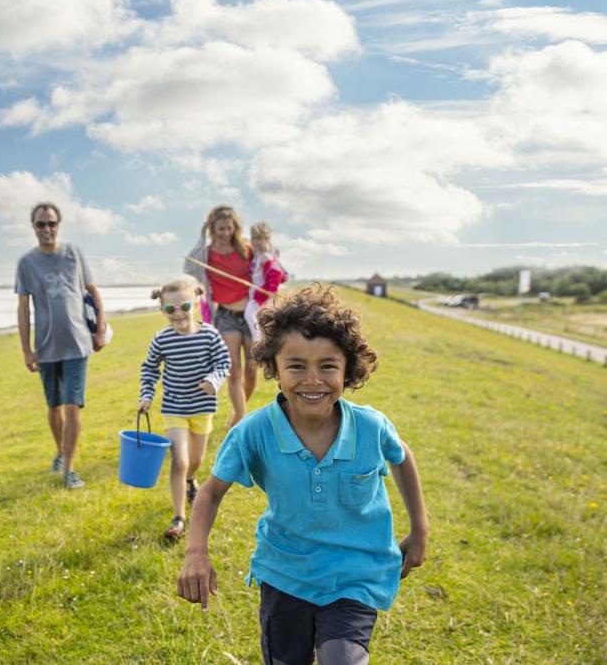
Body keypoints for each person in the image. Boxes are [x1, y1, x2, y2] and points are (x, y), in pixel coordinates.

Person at [177, 284, 429, 665]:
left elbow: (401, 455)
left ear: (348, 369)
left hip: (355, 575)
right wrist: (196, 551)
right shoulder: (253, 431)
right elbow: (210, 493)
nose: (313, 380)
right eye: (296, 366)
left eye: (328, 366)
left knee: (342, 659)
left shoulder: (371, 427)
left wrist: (419, 528)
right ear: (274, 368)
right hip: (285, 575)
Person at [16, 202, 107, 489]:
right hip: (45, 349)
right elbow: (22, 308)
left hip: (78, 344)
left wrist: (100, 329)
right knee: (54, 406)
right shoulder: (26, 263)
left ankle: (69, 469)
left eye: (52, 223)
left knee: (72, 408)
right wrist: (26, 349)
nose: (47, 229)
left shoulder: (73, 253)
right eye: (41, 224)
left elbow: (92, 291)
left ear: (58, 225)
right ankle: (60, 452)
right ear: (33, 227)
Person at [137, 276, 231, 540]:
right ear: (162, 310)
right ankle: (178, 518)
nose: (178, 313)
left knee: (196, 460)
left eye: (185, 307)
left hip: (202, 408)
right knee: (179, 460)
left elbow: (224, 363)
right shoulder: (162, 339)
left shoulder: (209, 335)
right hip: (174, 408)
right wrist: (146, 395)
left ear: (197, 302)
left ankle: (190, 481)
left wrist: (214, 381)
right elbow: (149, 369)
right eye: (171, 309)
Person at [184, 205, 255, 426]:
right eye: (220, 229)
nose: (225, 233)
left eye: (228, 228)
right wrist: (201, 235)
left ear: (235, 228)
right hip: (225, 316)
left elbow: (264, 270)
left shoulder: (246, 249)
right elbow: (188, 266)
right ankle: (242, 420)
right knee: (233, 370)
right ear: (212, 229)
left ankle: (236, 414)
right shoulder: (206, 253)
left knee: (252, 371)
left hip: (251, 317)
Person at [243, 221, 289, 343]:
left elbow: (275, 275)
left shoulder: (266, 257)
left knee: (250, 314)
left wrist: (269, 293)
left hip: (263, 295)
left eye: (259, 238)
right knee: (261, 320)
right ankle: (261, 340)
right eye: (253, 238)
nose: (255, 242)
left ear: (267, 239)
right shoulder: (258, 255)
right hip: (258, 294)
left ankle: (258, 341)